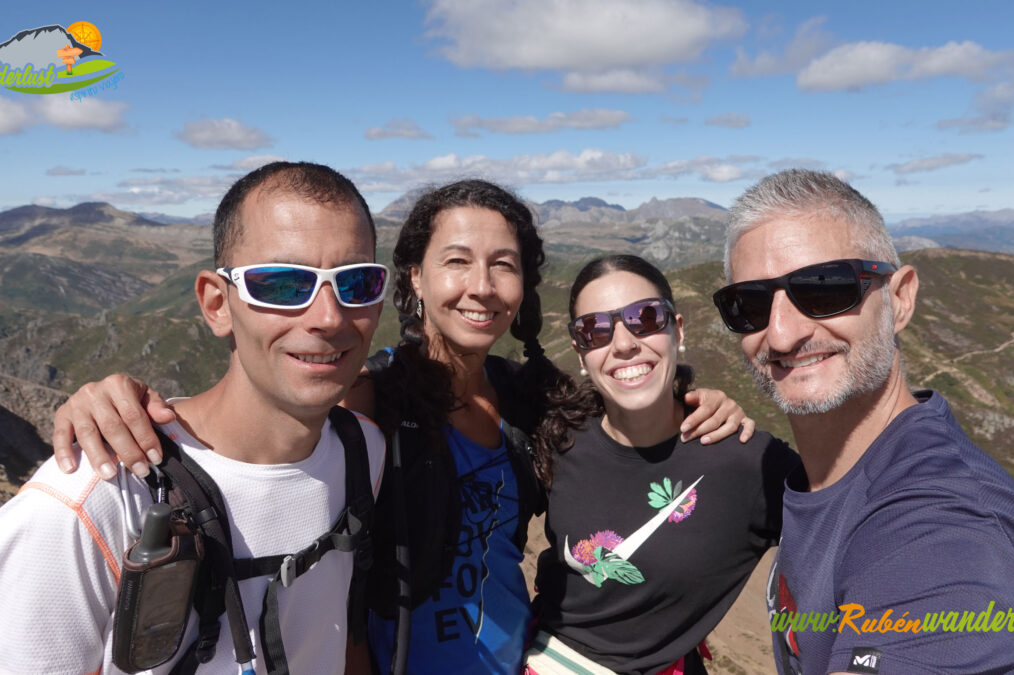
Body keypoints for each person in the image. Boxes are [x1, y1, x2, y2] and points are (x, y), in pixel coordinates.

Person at [48, 179, 749, 674]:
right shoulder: (366, 399)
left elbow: (631, 423)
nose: (481, 285)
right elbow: (254, 429)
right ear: (412, 278)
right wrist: (114, 402)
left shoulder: (531, 396)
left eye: (503, 266)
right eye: (456, 261)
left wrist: (699, 397)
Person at [0, 161, 387, 674]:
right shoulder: (95, 499)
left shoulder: (365, 452)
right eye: (282, 284)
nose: (329, 316)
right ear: (216, 304)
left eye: (357, 283)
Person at [714, 169, 1014, 673]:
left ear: (900, 298)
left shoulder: (945, 533)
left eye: (823, 288)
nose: (779, 335)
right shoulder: (824, 480)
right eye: (748, 305)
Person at [525, 255, 800, 675]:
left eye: (646, 317)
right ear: (581, 354)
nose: (622, 343)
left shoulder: (746, 460)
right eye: (594, 330)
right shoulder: (559, 439)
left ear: (678, 330)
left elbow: (857, 528)